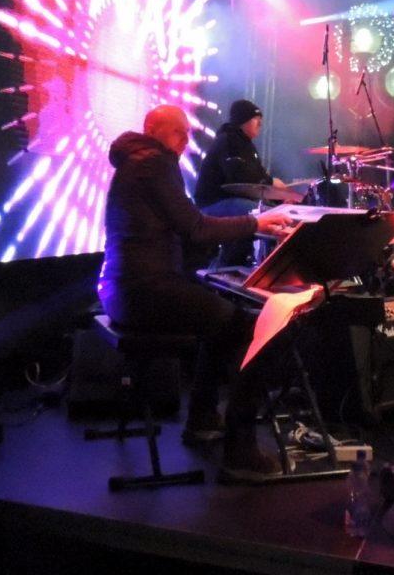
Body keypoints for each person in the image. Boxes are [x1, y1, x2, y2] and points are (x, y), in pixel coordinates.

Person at [98, 105, 294, 481]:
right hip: (144, 292)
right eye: (178, 132)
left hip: (121, 289)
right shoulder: (155, 162)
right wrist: (256, 223)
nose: (186, 141)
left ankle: (203, 419)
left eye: (188, 133)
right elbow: (196, 228)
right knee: (251, 328)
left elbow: (176, 229)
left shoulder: (133, 162)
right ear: (152, 129)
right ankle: (240, 450)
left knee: (216, 318)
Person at [194, 99, 285, 265]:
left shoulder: (246, 145)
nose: (260, 123)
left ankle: (238, 263)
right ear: (243, 120)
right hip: (214, 203)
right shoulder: (229, 141)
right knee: (268, 216)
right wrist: (271, 182)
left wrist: (279, 197)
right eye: (256, 118)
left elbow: (256, 176)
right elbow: (239, 177)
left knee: (274, 213)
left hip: (230, 201)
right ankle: (228, 266)